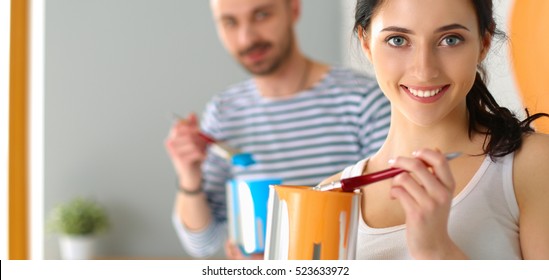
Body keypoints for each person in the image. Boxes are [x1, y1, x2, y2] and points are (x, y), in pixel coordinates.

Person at [319, 0, 549, 259]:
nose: (424, 70)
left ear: (483, 42)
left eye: (450, 39)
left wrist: (438, 252)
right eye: (397, 40)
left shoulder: (534, 165)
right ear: (366, 42)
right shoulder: (328, 195)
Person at [164, 0, 391, 259]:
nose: (246, 37)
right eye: (230, 22)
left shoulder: (365, 100)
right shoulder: (224, 112)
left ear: (293, 9)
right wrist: (189, 176)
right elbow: (202, 244)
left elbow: (388, 228)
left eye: (261, 15)